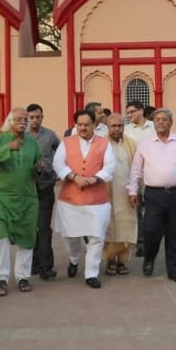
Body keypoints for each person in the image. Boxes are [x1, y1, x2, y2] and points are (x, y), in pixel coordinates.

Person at [128, 108, 176, 284]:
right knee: (151, 231)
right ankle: (149, 258)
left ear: (171, 122)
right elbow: (136, 170)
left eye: (164, 120)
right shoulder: (146, 144)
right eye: (157, 120)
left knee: (175, 232)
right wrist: (133, 191)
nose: (161, 122)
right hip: (153, 195)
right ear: (153, 123)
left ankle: (174, 269)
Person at [53, 109, 115, 288]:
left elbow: (110, 166)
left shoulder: (104, 143)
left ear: (94, 125)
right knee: (70, 236)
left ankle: (91, 274)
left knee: (96, 238)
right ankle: (73, 259)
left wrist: (95, 178)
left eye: (87, 124)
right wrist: (73, 176)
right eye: (79, 124)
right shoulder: (66, 142)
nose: (83, 128)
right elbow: (57, 163)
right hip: (71, 200)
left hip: (97, 200)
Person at [0, 108, 41, 296]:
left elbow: (38, 164)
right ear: (10, 121)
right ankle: (1, 278)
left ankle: (23, 277)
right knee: (0, 236)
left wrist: (39, 168)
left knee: (27, 236)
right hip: (3, 197)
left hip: (27, 196)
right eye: (19, 119)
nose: (23, 122)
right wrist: (7, 148)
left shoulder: (33, 143)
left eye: (25, 119)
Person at [26, 103, 61, 280]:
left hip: (46, 185)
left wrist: (56, 173)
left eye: (37, 117)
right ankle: (33, 263)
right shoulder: (21, 136)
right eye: (31, 117)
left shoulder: (50, 135)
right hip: (27, 187)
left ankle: (46, 266)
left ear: (42, 117)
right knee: (31, 226)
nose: (34, 120)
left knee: (44, 227)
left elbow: (61, 152)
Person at [102, 114, 138, 276]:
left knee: (127, 226)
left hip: (127, 193)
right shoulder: (100, 144)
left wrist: (136, 191)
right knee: (109, 228)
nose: (117, 129)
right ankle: (110, 259)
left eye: (119, 126)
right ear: (107, 127)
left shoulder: (131, 144)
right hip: (106, 193)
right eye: (113, 126)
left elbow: (137, 169)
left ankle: (122, 260)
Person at [124, 100, 155, 258]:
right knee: (136, 209)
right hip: (133, 174)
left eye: (132, 111)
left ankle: (151, 239)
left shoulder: (154, 127)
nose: (130, 115)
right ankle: (141, 241)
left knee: (151, 210)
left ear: (141, 111)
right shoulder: (126, 130)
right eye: (128, 112)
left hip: (152, 174)